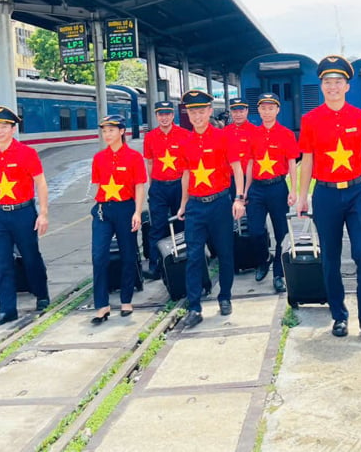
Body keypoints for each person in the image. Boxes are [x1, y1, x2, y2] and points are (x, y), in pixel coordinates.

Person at [296, 55, 361, 341]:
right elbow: (307, 160)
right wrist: (302, 195)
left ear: (347, 86)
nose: (333, 87)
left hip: (357, 193)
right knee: (330, 260)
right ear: (321, 86)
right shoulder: (310, 120)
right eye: (327, 82)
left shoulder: (360, 118)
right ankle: (339, 316)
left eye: (338, 82)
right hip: (325, 195)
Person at [176, 90, 246, 329]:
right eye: (192, 111)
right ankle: (194, 306)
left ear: (209, 111)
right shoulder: (185, 141)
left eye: (201, 111)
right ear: (188, 114)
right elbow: (186, 174)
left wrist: (239, 199)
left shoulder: (224, 137)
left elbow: (237, 168)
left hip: (219, 203)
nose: (197, 116)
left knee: (226, 253)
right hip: (196, 205)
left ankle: (225, 296)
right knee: (194, 256)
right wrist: (183, 204)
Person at [0, 106, 51, 326]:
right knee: (1, 263)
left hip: (23, 213)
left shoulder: (26, 153)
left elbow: (40, 183)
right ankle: (6, 309)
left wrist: (43, 213)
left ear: (13, 129)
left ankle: (41, 294)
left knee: (30, 257)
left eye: (4, 126)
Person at [88, 114, 147, 324]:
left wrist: (137, 212)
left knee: (128, 255)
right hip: (104, 211)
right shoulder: (99, 158)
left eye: (111, 130)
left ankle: (126, 300)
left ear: (122, 132)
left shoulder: (134, 157)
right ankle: (102, 304)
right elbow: (98, 185)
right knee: (98, 256)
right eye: (104, 131)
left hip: (126, 208)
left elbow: (139, 186)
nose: (107, 134)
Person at [244, 92, 299, 293]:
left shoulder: (286, 134)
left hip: (277, 187)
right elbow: (250, 164)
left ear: (277, 109)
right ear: (258, 110)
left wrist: (294, 190)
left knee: (281, 232)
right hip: (257, 188)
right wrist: (245, 191)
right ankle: (263, 259)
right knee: (255, 230)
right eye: (263, 108)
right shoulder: (253, 134)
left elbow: (292, 163)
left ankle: (279, 273)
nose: (267, 112)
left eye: (271, 108)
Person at [142, 100, 190, 281]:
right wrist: (154, 184)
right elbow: (150, 162)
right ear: (156, 116)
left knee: (181, 224)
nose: (164, 117)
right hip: (159, 187)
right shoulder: (150, 137)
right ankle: (156, 266)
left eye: (167, 114)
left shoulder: (185, 135)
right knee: (158, 227)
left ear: (173, 115)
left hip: (179, 185)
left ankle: (184, 261)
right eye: (160, 114)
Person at [224, 97, 256, 202]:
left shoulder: (256, 131)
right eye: (234, 111)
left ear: (247, 111)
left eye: (241, 111)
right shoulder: (224, 132)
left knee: (252, 212)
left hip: (251, 178)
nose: (238, 115)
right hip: (230, 179)